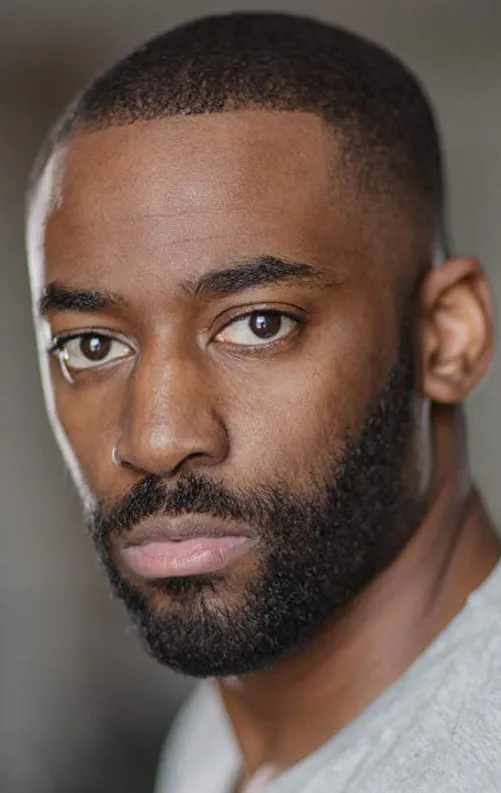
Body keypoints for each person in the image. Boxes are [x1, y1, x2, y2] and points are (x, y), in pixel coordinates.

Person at [25, 11, 501, 793]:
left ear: (447, 337)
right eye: (93, 344)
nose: (155, 438)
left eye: (257, 324)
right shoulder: (218, 734)